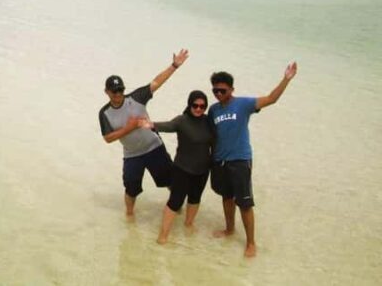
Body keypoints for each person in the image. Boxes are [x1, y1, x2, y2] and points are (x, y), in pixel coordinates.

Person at [208, 62, 298, 258]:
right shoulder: (213, 110)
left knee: (245, 203)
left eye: (222, 90)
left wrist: (286, 79)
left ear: (232, 89)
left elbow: (271, 99)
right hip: (220, 161)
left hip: (240, 160)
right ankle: (229, 229)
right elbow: (210, 134)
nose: (218, 94)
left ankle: (251, 243)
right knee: (226, 197)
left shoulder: (244, 104)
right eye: (215, 90)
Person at [98, 49, 189, 218]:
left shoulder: (137, 97)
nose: (118, 94)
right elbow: (107, 138)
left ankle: (177, 209)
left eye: (120, 90)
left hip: (154, 147)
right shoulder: (104, 113)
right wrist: (129, 128)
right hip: (132, 155)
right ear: (107, 92)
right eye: (114, 91)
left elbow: (157, 82)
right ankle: (129, 216)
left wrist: (175, 65)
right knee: (131, 188)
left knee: (170, 180)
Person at [141, 90, 214, 244]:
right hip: (182, 169)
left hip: (202, 170)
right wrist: (150, 124)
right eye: (195, 105)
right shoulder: (182, 121)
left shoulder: (209, 121)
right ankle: (163, 234)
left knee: (195, 198)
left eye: (202, 106)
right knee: (175, 201)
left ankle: (188, 225)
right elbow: (168, 125)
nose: (199, 109)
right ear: (189, 104)